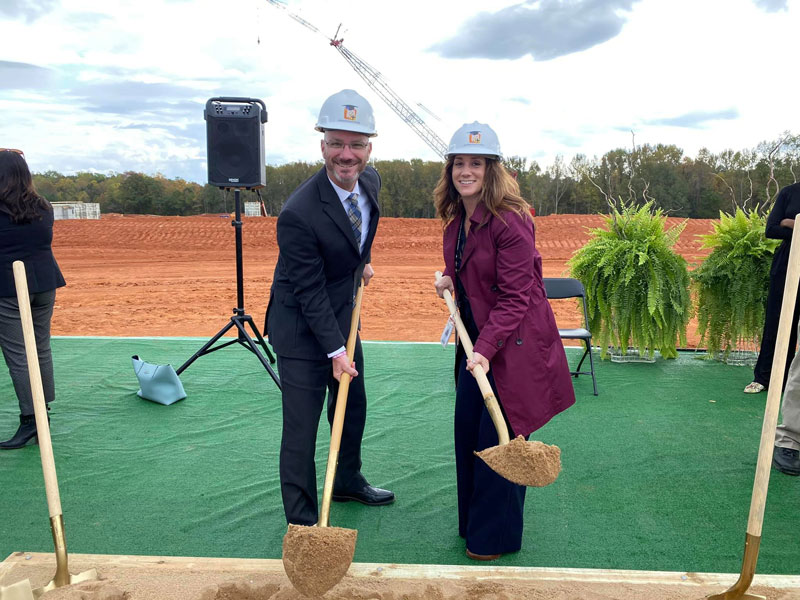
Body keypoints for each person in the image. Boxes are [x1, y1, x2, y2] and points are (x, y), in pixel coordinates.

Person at [432, 122, 575, 560]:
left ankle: (494, 538)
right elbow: (470, 267)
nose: (466, 171)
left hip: (512, 346)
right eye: (459, 163)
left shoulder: (511, 220)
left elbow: (516, 297)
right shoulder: (458, 220)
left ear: (492, 169)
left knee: (500, 440)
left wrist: (484, 349)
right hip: (477, 342)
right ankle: (472, 525)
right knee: (468, 432)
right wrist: (450, 279)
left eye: (476, 163)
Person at [265, 89, 394, 526]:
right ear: (322, 146)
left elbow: (361, 229)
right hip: (301, 327)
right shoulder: (298, 213)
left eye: (356, 144)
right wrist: (337, 352)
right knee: (301, 429)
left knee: (351, 406)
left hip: (342, 314)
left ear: (368, 150)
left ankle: (346, 481)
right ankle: (302, 522)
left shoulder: (371, 183)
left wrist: (362, 262)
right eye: (337, 143)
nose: (346, 154)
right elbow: (309, 291)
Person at [0, 149, 66, 449]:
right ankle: (42, 410)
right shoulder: (43, 206)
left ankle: (32, 418)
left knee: (18, 356)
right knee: (40, 349)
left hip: (9, 287)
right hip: (44, 283)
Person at [745, 181, 800, 394]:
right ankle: (765, 378)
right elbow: (771, 229)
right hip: (787, 264)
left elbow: (783, 224)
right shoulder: (789, 192)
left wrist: (791, 223)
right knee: (777, 322)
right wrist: (795, 228)